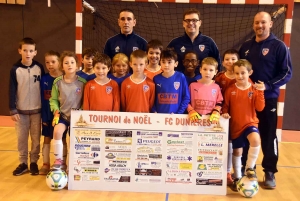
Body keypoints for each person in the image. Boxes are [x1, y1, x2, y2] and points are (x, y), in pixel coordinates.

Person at [239, 11, 292, 189]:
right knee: (246, 135)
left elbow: (286, 72)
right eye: (256, 23)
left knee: (268, 136)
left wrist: (267, 86)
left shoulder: (279, 46)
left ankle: (269, 171)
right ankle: (247, 169)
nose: (259, 26)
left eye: (263, 22)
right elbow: (239, 71)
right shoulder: (246, 46)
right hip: (246, 101)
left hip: (268, 100)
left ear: (270, 24)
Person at [222, 59, 265, 191]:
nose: (240, 76)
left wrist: (260, 92)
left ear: (250, 73)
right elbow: (226, 106)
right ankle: (238, 178)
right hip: (235, 126)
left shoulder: (254, 89)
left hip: (250, 123)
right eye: (237, 73)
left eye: (243, 73)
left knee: (255, 139)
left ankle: (250, 168)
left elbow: (260, 108)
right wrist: (224, 113)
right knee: (237, 151)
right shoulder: (230, 90)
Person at [9, 37, 45, 176]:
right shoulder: (15, 69)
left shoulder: (39, 68)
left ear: (35, 52)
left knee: (36, 138)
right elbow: (11, 89)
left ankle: (34, 162)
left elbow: (43, 88)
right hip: (21, 112)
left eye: (31, 51)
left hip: (37, 111)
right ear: (20, 51)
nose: (28, 53)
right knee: (21, 138)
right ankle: (23, 163)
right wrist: (12, 109)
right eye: (25, 50)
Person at [50, 51, 86, 169]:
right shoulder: (57, 82)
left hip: (77, 117)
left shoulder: (82, 83)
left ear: (77, 65)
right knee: (57, 132)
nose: (69, 65)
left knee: (74, 140)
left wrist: (80, 111)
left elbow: (86, 100)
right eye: (66, 63)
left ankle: (73, 164)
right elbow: (54, 99)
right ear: (62, 65)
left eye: (72, 62)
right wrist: (55, 110)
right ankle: (59, 161)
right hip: (63, 116)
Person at [167, 8, 221, 74]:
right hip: (179, 82)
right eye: (187, 20)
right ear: (183, 23)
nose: (191, 23)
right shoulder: (175, 43)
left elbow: (217, 63)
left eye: (194, 20)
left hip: (202, 82)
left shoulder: (208, 42)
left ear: (200, 23)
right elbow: (165, 61)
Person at [40, 51, 68, 175]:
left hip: (62, 115)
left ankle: (63, 163)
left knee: (62, 138)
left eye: (53, 62)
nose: (50, 65)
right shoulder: (44, 79)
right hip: (48, 112)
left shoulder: (64, 78)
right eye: (47, 62)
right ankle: (45, 163)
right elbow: (42, 97)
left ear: (59, 63)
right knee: (47, 138)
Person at [214, 49, 239, 184]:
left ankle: (231, 172)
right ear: (223, 62)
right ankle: (218, 171)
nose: (230, 62)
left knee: (234, 145)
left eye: (233, 59)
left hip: (237, 114)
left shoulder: (241, 76)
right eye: (227, 59)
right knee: (223, 142)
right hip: (222, 115)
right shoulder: (219, 77)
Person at [152, 48, 190, 114]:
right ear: (160, 62)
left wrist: (178, 113)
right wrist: (154, 111)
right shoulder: (156, 78)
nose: (166, 65)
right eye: (163, 62)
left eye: (169, 62)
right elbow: (152, 98)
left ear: (176, 63)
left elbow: (186, 97)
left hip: (175, 117)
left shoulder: (181, 77)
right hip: (159, 117)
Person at [186, 57, 223, 124]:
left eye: (211, 70)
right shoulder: (192, 85)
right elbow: (186, 100)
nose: (207, 72)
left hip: (210, 121)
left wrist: (216, 111)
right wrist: (190, 110)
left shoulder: (217, 86)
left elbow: (220, 102)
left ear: (216, 72)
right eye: (205, 69)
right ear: (200, 70)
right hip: (194, 120)